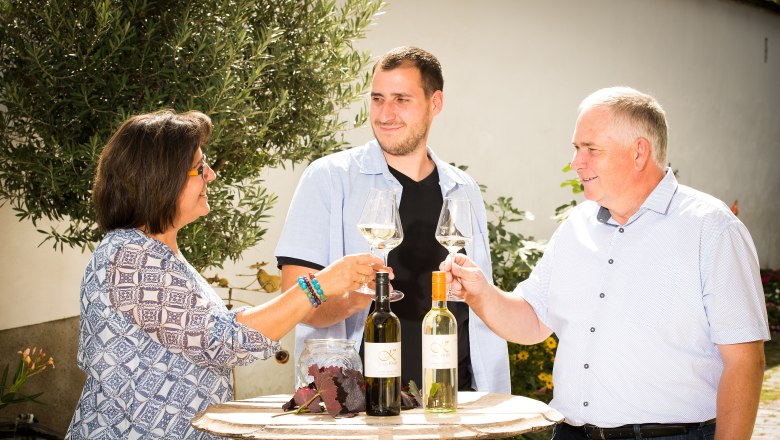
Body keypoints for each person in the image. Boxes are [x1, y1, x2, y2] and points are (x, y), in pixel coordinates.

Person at [443, 87, 769, 439]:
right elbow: (533, 320)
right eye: (576, 148)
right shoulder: (577, 225)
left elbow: (744, 360)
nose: (576, 162)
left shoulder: (712, 229)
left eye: (591, 149)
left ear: (639, 152)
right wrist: (479, 293)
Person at [66, 110, 386, 439]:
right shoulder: (129, 256)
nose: (212, 175)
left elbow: (209, 334)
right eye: (199, 167)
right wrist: (319, 285)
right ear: (160, 178)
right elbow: (224, 340)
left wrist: (346, 299)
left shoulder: (154, 252)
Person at [275, 46, 510, 393]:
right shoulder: (328, 178)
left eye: (401, 99)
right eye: (377, 99)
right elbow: (297, 303)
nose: (386, 114)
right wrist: (357, 297)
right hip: (358, 403)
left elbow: (479, 310)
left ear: (435, 103)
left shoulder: (463, 189)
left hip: (453, 400)